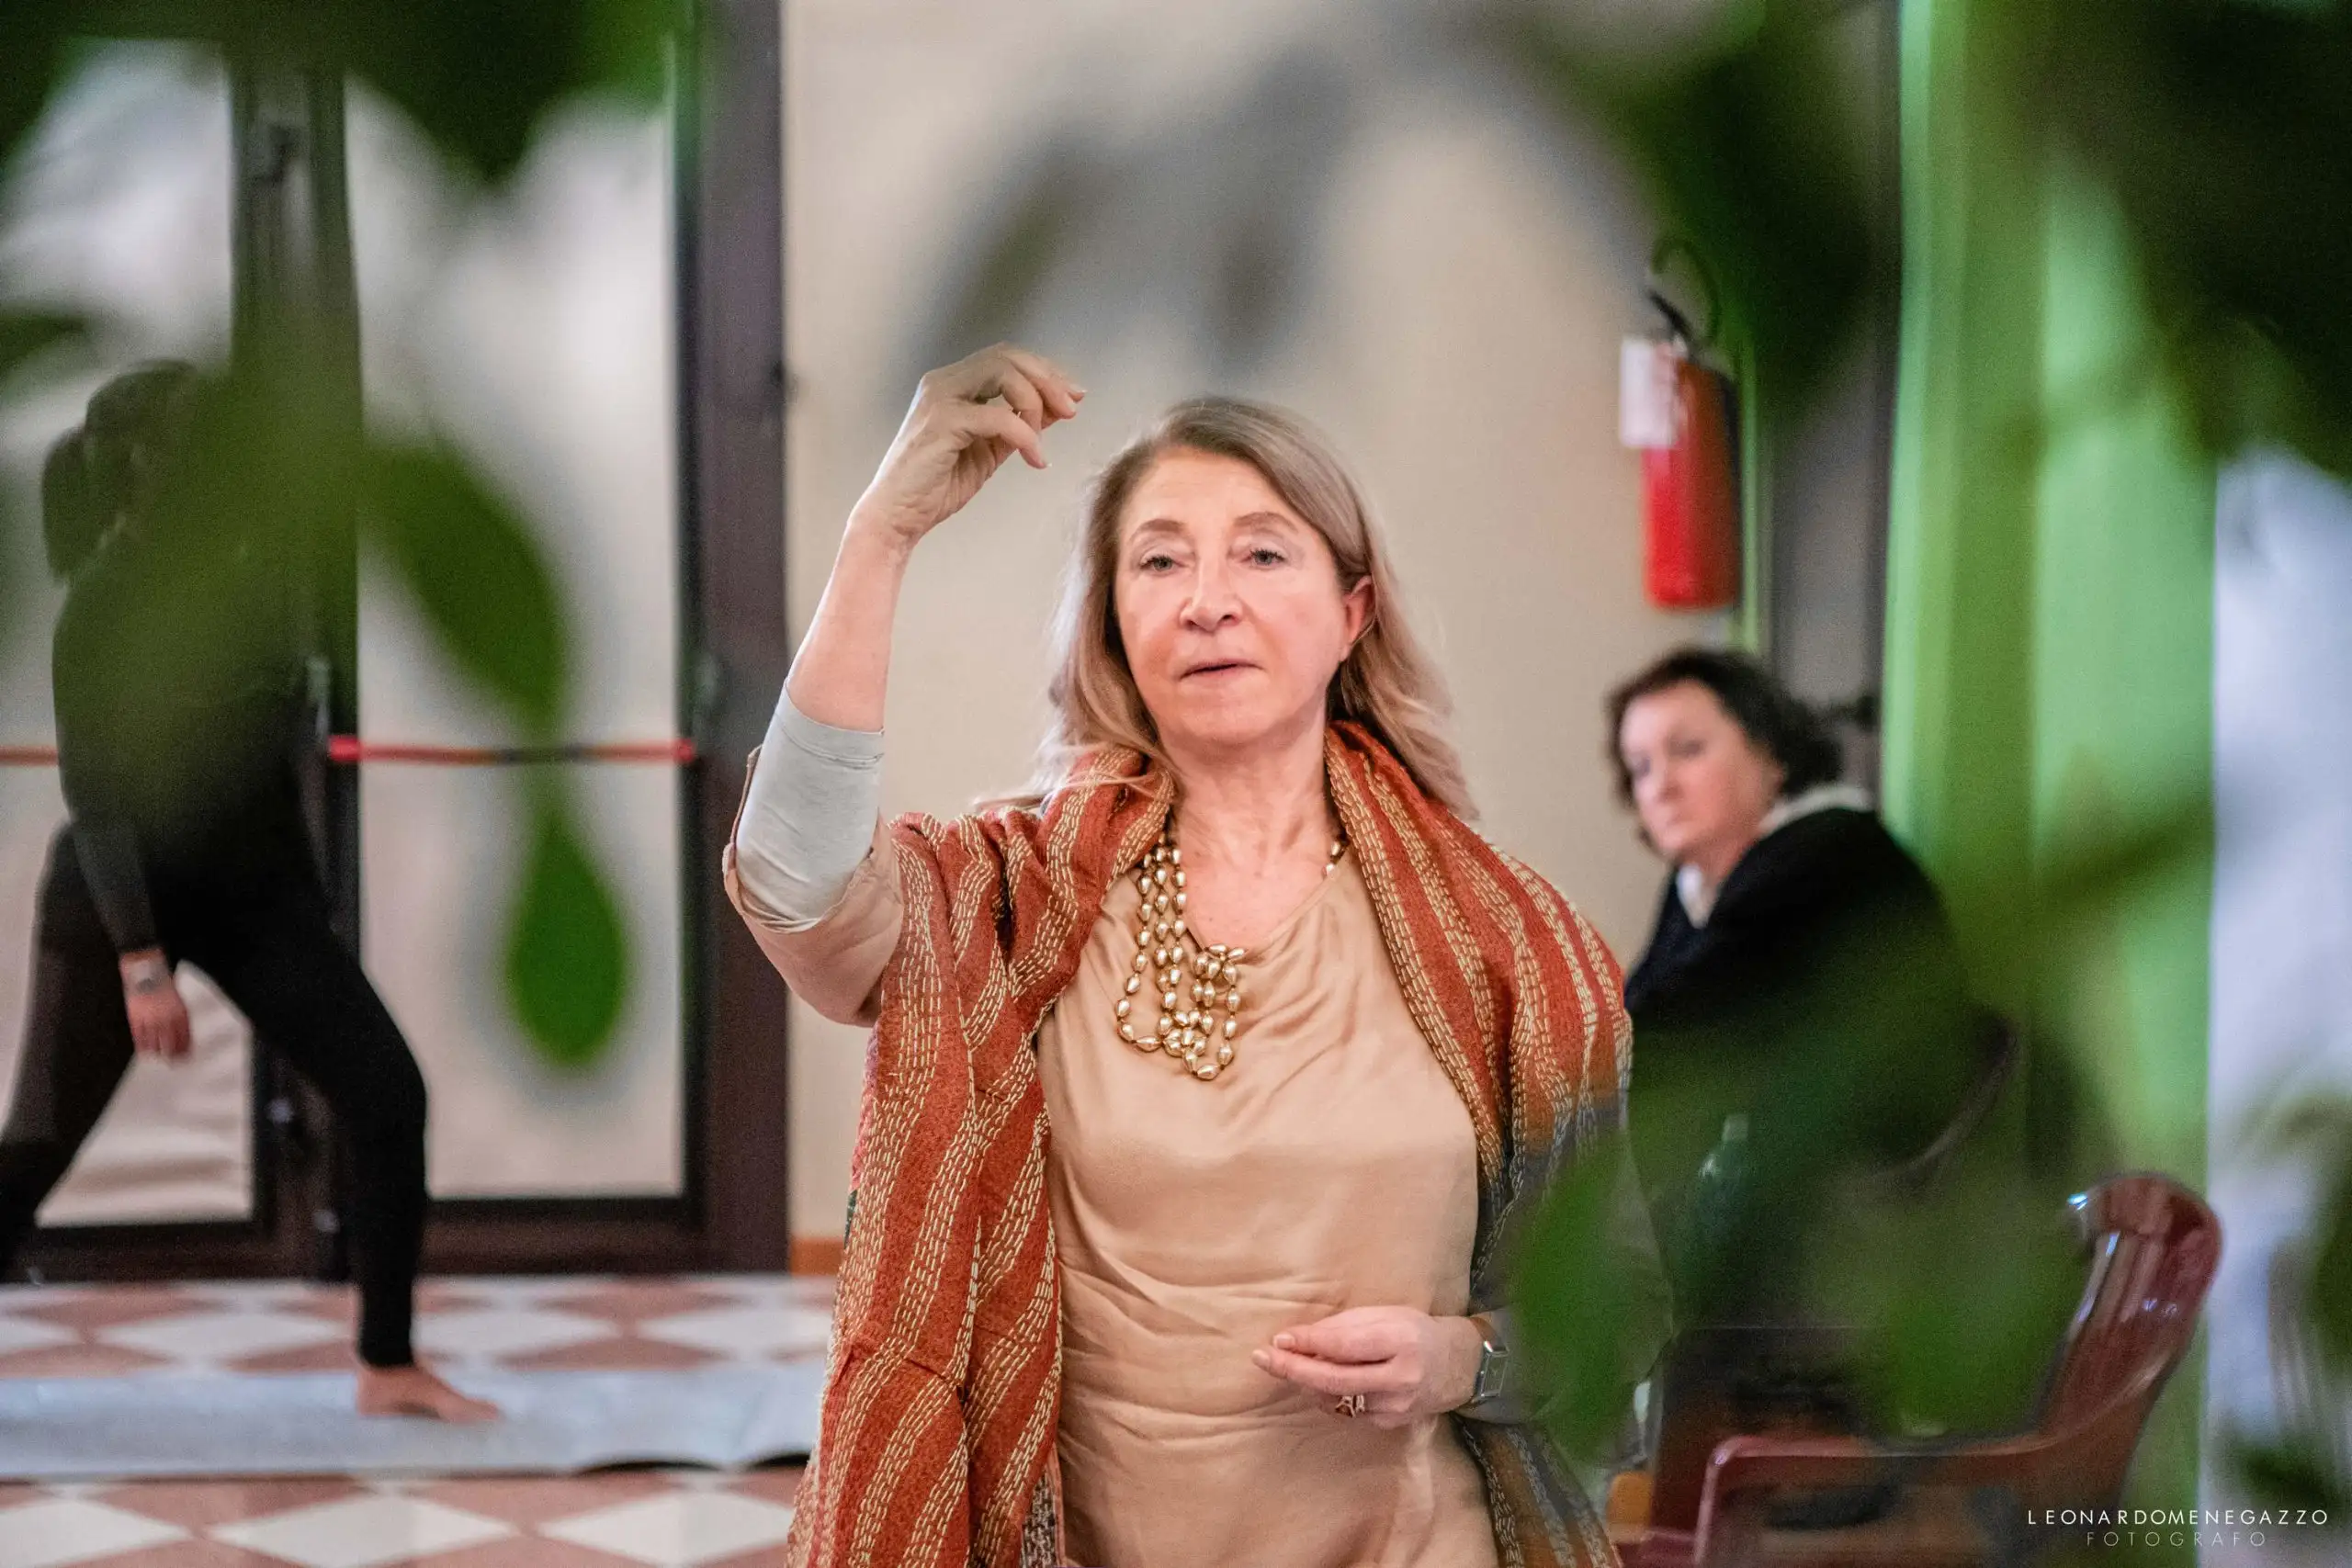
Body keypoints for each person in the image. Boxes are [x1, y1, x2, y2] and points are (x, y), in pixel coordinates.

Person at [726, 345, 1668, 1568]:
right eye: (1160, 561)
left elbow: (1615, 1312)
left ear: (1352, 614)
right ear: (1117, 626)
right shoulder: (1010, 906)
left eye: (1262, 555)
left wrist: (1463, 1358)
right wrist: (880, 535)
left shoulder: (1506, 943)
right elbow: (796, 883)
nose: (1207, 600)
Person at [0, 362, 494, 1423]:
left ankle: (388, 1366)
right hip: (117, 900)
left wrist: (305, 922)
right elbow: (99, 799)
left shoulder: (245, 584)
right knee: (36, 1148)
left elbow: (263, 767)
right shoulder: (102, 607)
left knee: (387, 1095)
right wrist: (141, 964)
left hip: (254, 902)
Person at [1607, 647, 1989, 1321]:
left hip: (1866, 1235)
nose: (1660, 786)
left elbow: (1664, 1030)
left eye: (1687, 750)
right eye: (1640, 767)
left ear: (1771, 754)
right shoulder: (1698, 881)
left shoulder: (1831, 856)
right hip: (1777, 1209)